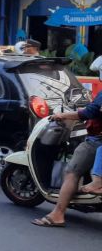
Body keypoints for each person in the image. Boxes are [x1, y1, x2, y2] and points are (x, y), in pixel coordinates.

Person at [32, 91, 102, 227]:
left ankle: (57, 214)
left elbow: (89, 113)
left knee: (71, 173)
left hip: (97, 139)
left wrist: (62, 115)